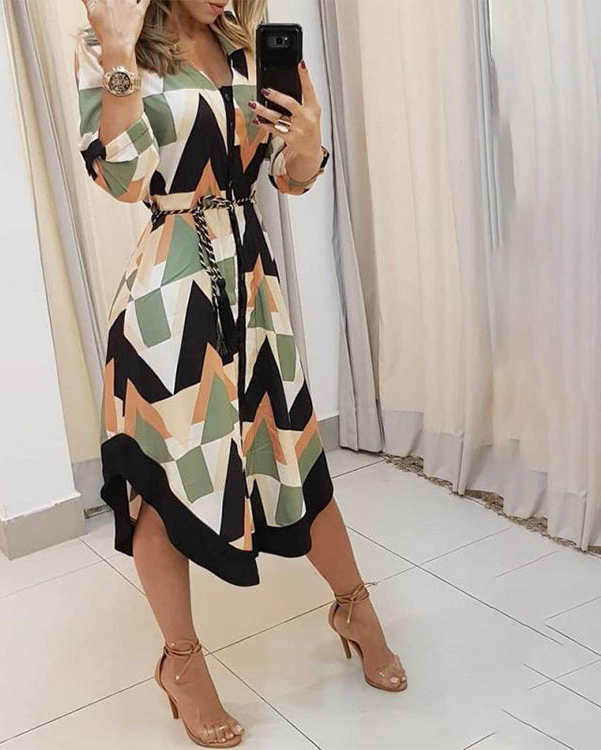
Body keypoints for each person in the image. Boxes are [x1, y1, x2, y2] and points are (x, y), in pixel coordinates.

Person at [74, 0, 407, 746]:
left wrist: (309, 140)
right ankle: (182, 664)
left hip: (251, 283)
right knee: (165, 483)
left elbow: (289, 177)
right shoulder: (108, 49)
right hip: (170, 294)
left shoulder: (249, 51)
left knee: (293, 452)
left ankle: (355, 607)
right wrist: (120, 57)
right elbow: (123, 179)